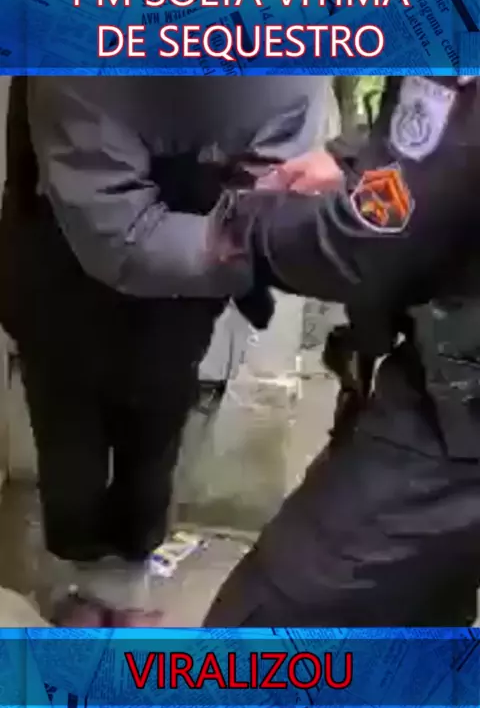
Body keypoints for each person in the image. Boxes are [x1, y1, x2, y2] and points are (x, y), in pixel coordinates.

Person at [0, 75, 330, 626]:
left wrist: (270, 222)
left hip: (180, 281)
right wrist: (251, 243)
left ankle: (128, 573)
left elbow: (273, 181)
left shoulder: (288, 59)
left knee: (154, 425)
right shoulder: (78, 63)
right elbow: (118, 232)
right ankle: (77, 575)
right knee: (70, 439)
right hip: (61, 258)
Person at [204, 75, 480, 627]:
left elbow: (368, 242)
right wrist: (361, 157)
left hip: (459, 411)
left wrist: (240, 225)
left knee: (270, 622)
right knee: (420, 608)